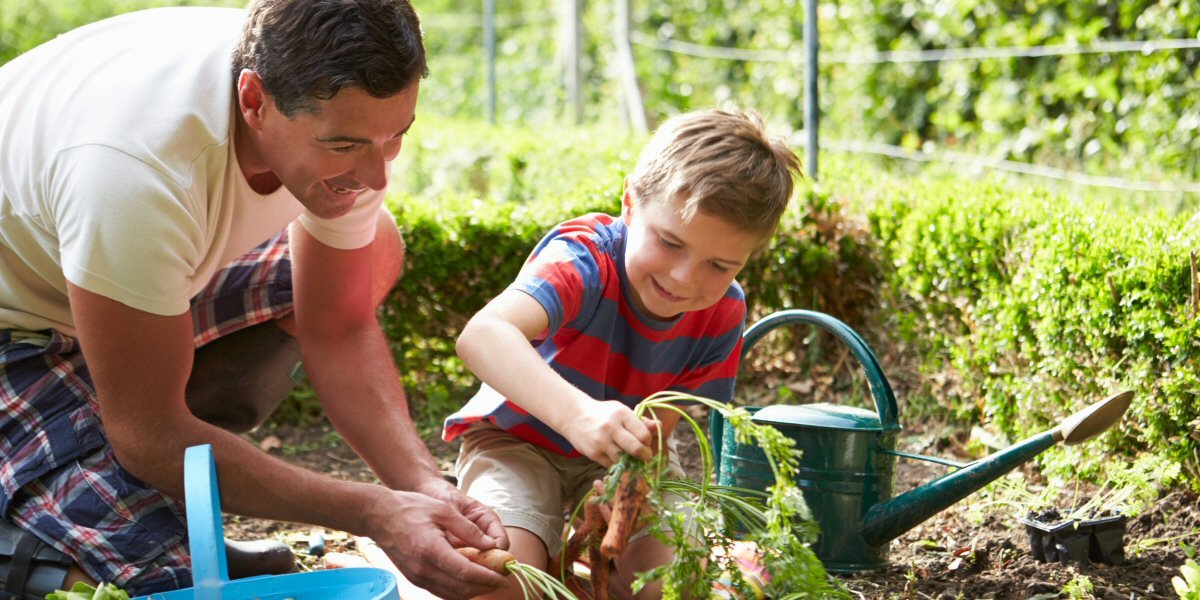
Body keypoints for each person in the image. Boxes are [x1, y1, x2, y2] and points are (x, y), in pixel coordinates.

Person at [0, 1, 510, 598]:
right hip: (18, 325)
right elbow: (148, 431)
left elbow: (338, 325)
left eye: (396, 136)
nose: (376, 175)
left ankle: (128, 458)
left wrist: (422, 487)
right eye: (343, 145)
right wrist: (373, 512)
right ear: (253, 101)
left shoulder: (333, 104)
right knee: (158, 582)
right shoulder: (135, 170)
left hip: (112, 278)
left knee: (375, 248)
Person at [442, 108, 802, 599]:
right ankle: (547, 555)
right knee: (500, 583)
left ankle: (574, 567)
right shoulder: (584, 260)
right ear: (630, 204)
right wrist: (577, 416)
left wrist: (630, 485)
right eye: (670, 242)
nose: (684, 278)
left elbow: (662, 428)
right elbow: (482, 335)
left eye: (719, 265)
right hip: (518, 441)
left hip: (625, 458)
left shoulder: (723, 313)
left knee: (664, 586)